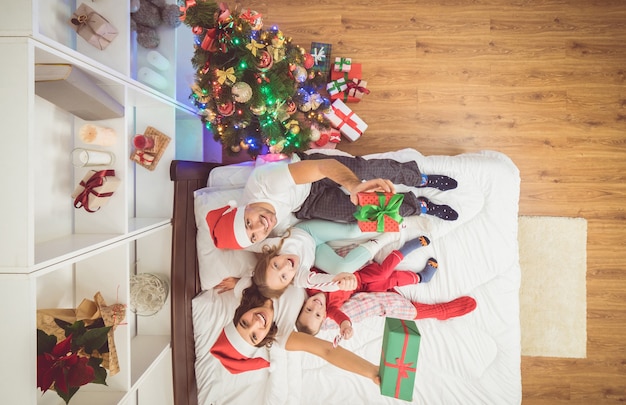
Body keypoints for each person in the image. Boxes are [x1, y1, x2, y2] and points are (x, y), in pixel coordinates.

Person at [205, 152, 458, 250]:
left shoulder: (265, 183)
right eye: (253, 236)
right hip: (305, 205)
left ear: (244, 208)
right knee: (359, 214)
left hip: (311, 170)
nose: (261, 228)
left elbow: (324, 166)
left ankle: (418, 178)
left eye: (248, 223)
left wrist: (354, 186)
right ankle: (421, 206)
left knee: (365, 171)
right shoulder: (264, 236)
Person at [209, 283, 381, 386]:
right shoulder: (283, 337)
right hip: (323, 295)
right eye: (254, 336)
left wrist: (238, 282)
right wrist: (372, 372)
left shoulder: (250, 290)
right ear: (261, 342)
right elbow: (326, 351)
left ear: (239, 315)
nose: (256, 323)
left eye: (244, 323)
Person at [295, 237, 443, 339]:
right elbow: (340, 318)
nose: (315, 307)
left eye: (309, 309)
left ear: (304, 304)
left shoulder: (312, 286)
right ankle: (421, 278)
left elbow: (316, 267)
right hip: (361, 284)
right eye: (318, 315)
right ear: (324, 317)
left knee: (383, 273)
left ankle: (406, 248)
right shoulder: (331, 308)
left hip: (357, 272)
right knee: (387, 280)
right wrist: (345, 327)